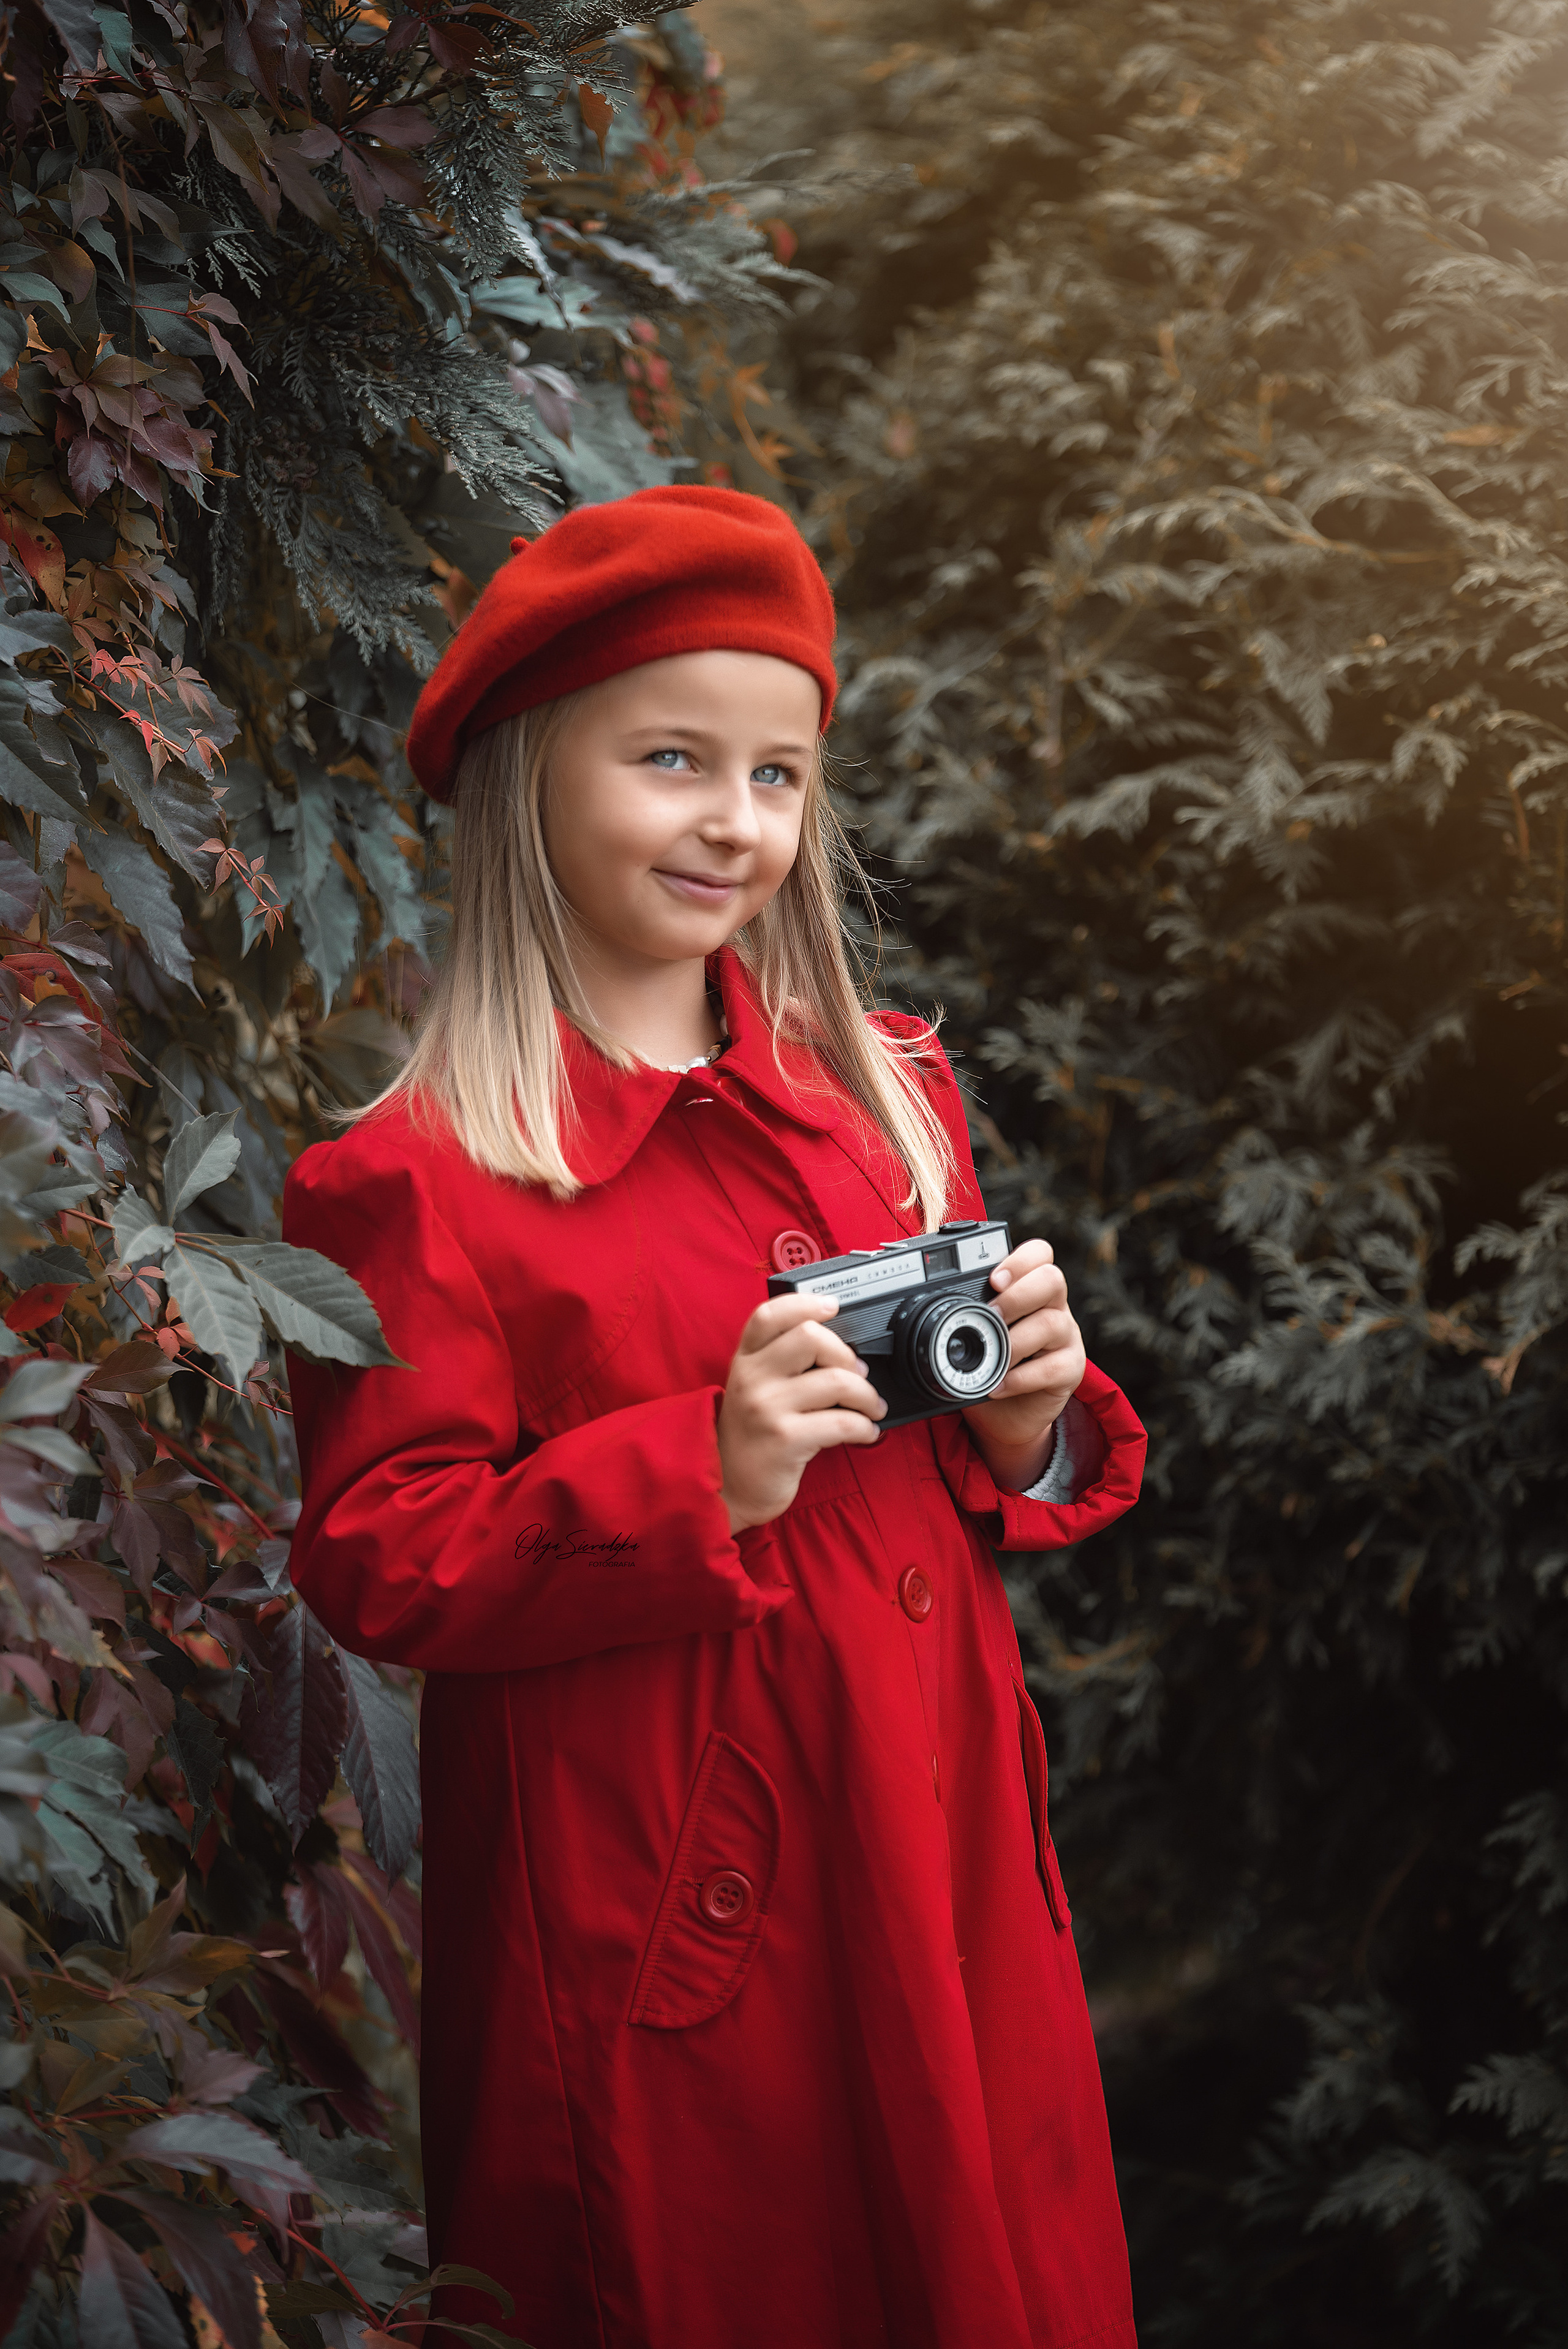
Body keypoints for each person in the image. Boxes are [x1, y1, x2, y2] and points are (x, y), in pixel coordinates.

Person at [282, 485, 1146, 2349]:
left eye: (776, 773)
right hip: (669, 1933)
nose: (733, 821)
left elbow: (986, 1462)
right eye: (673, 757)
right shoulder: (419, 1181)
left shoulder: (883, 1089)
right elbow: (380, 1550)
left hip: (941, 1866)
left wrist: (1035, 1424)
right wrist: (703, 1466)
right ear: (532, 775)